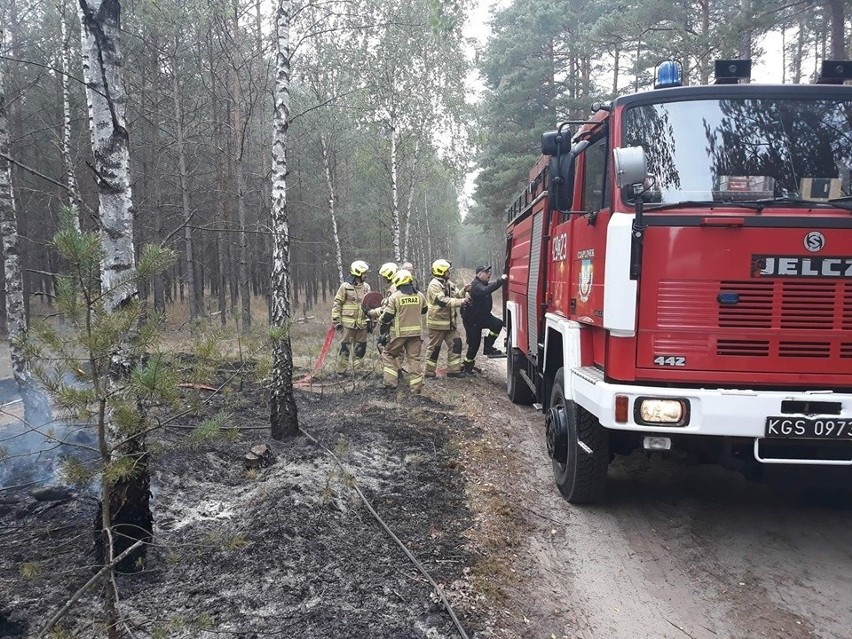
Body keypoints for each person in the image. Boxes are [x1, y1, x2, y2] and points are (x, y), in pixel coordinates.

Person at [378, 269, 427, 393]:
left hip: (399, 335)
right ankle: (416, 388)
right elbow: (424, 310)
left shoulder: (395, 297)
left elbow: (387, 316)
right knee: (414, 359)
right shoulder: (420, 295)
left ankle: (391, 383)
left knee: (388, 354)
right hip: (416, 334)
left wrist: (380, 319)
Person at [425, 259, 468, 378]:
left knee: (456, 343)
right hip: (437, 323)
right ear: (441, 271)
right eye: (447, 270)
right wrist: (461, 302)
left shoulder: (448, 283)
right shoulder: (434, 285)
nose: (449, 272)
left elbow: (456, 295)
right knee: (435, 348)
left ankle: (454, 370)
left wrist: (464, 290)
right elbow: (442, 301)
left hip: (450, 324)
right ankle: (429, 372)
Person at [462, 265, 508, 374]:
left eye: (489, 272)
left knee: (497, 324)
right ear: (479, 274)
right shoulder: (476, 286)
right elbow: (486, 290)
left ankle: (488, 348)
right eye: (486, 272)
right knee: (474, 345)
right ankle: (467, 366)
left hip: (482, 316)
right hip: (472, 320)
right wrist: (501, 280)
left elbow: (489, 285)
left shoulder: (483, 283)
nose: (489, 274)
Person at [331, 260, 371, 375]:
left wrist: (371, 321)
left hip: (362, 324)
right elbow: (337, 302)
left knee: (361, 348)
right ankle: (341, 371)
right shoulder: (345, 287)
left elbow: (370, 305)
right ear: (358, 273)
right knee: (345, 348)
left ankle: (358, 371)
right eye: (364, 273)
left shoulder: (367, 287)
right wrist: (335, 319)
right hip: (348, 324)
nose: (366, 275)